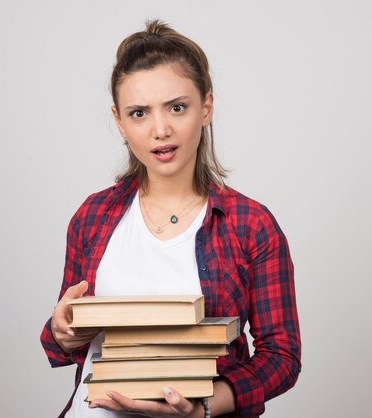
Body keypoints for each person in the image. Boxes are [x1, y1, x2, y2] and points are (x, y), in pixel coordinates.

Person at [40, 20, 301, 418]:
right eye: (139, 112)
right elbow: (66, 334)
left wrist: (203, 408)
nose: (160, 129)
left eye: (177, 107)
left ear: (206, 107)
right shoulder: (92, 217)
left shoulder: (250, 224)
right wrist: (63, 331)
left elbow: (281, 357)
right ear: (120, 122)